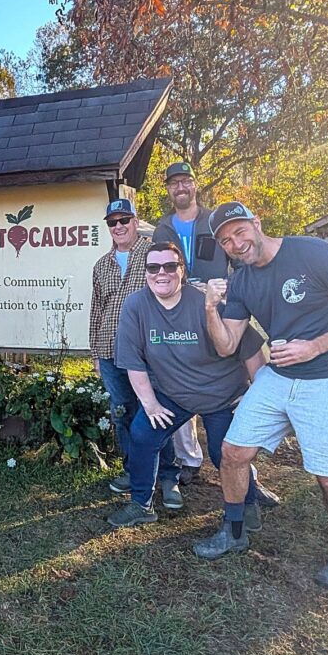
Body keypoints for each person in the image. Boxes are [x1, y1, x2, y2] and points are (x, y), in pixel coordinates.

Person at [194, 201, 328, 591]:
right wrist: (209, 308)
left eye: (240, 231)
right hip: (279, 374)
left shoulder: (311, 252)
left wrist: (315, 346)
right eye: (226, 240)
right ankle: (235, 531)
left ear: (256, 223)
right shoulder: (241, 281)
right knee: (232, 452)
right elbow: (226, 345)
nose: (236, 243)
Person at [107, 241, 267, 528]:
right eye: (153, 267)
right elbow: (133, 362)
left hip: (222, 396)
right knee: (142, 434)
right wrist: (151, 404)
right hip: (174, 394)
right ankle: (141, 504)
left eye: (170, 266)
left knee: (225, 454)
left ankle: (249, 502)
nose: (161, 273)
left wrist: (259, 398)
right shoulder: (135, 306)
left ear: (182, 269)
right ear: (145, 272)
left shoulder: (208, 303)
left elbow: (251, 347)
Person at [152, 162, 233, 483]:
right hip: (179, 317)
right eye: (174, 183)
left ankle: (242, 469)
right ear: (169, 190)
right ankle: (189, 459)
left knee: (229, 390)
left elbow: (238, 266)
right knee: (179, 385)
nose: (180, 188)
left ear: (195, 184)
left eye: (186, 181)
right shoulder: (161, 229)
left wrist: (224, 293)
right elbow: (158, 275)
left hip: (219, 315)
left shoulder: (215, 221)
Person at [89, 198, 175, 493]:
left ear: (136, 222)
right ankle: (132, 471)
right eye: (113, 222)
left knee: (156, 411)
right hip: (110, 352)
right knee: (123, 412)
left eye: (124, 220)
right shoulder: (101, 265)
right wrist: (96, 353)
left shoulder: (154, 257)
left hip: (148, 352)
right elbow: (96, 310)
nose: (119, 226)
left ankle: (167, 477)